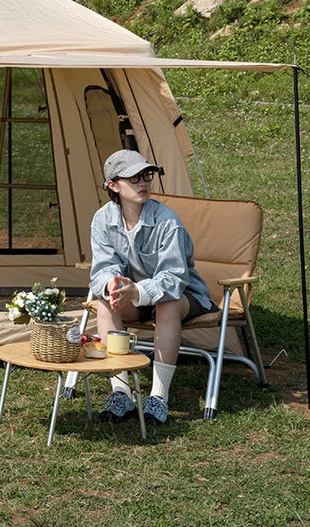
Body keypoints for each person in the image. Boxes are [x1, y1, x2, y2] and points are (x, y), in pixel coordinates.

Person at [89, 149, 219, 424]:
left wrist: (138, 291)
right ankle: (121, 391)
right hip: (136, 298)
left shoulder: (167, 220)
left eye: (145, 175)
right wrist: (114, 285)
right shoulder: (102, 219)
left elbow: (173, 279)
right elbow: (102, 269)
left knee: (166, 301)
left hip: (185, 298)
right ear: (113, 185)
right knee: (105, 299)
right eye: (133, 178)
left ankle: (158, 397)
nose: (143, 183)